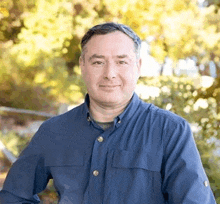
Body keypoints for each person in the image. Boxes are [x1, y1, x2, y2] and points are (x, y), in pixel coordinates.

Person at [0, 22, 217, 204]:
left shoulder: (170, 131)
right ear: (83, 66)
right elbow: (13, 197)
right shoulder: (54, 131)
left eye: (121, 62)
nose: (109, 74)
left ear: (138, 67)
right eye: (98, 62)